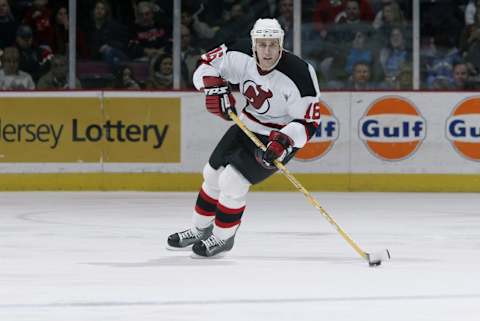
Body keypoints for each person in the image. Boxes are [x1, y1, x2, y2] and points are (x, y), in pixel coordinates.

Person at [167, 18, 320, 258]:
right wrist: (213, 86)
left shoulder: (299, 74)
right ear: (253, 44)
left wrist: (282, 142)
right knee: (212, 174)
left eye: (273, 44)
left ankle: (222, 238)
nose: (267, 51)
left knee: (233, 182)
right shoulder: (238, 52)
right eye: (262, 44)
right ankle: (200, 229)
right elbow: (204, 66)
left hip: (277, 138)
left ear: (281, 44)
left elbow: (308, 123)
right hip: (247, 124)